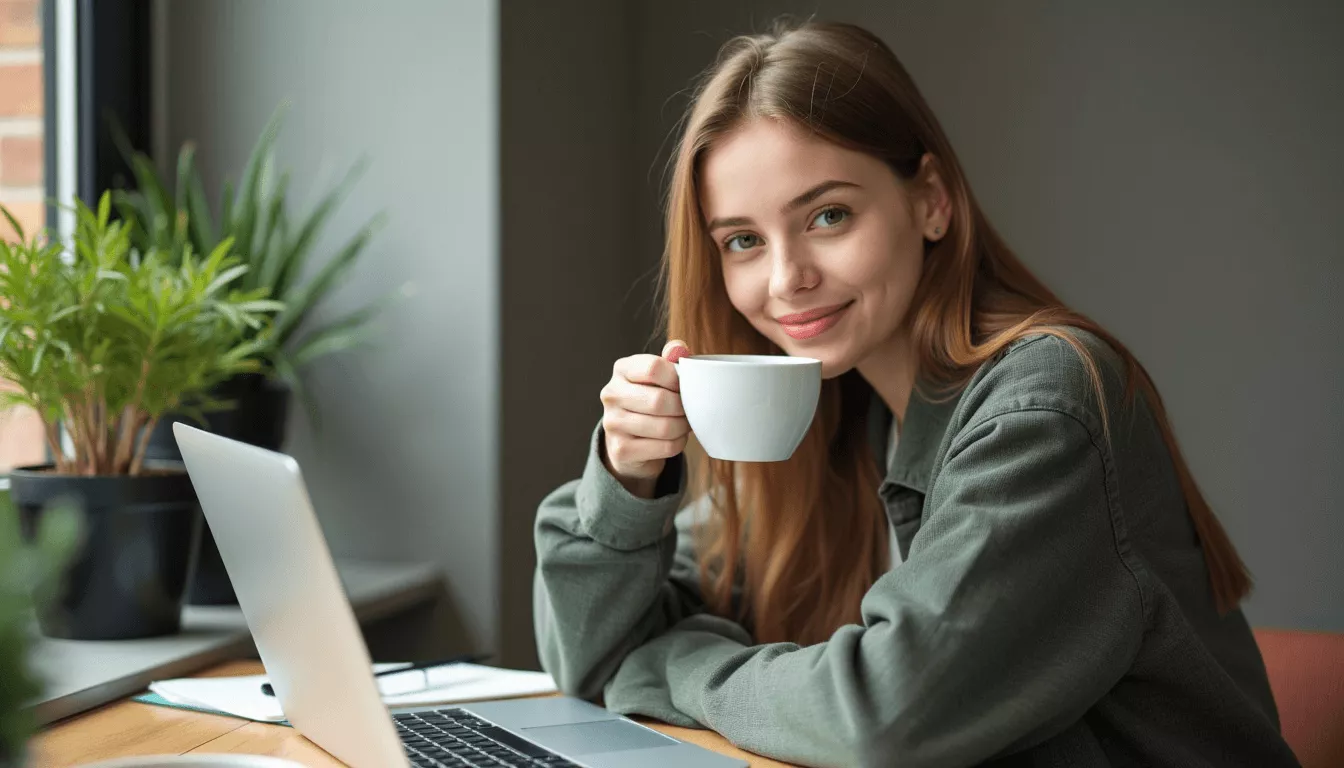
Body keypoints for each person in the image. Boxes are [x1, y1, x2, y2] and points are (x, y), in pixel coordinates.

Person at [532, 18, 1299, 768]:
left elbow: (883, 714)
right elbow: (590, 659)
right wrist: (630, 482)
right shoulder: (840, 414)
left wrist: (671, 669)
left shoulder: (1045, 406)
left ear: (931, 200)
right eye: (743, 240)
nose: (784, 279)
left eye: (828, 215)